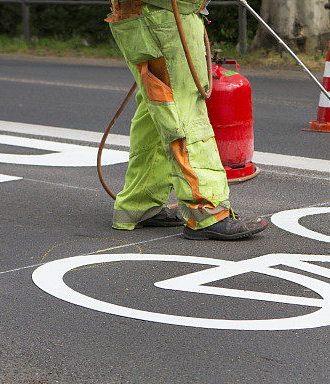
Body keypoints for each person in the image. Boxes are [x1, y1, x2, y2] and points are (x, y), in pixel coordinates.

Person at [106, 0, 267, 240]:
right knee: (183, 111)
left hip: (154, 17)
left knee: (156, 113)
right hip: (164, 19)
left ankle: (139, 205)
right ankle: (205, 211)